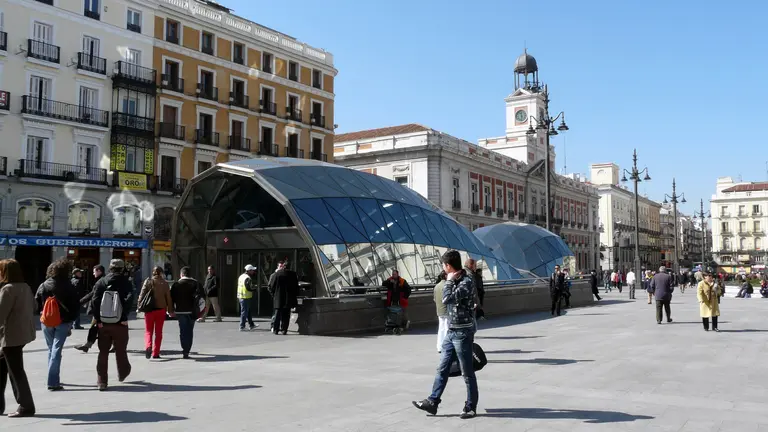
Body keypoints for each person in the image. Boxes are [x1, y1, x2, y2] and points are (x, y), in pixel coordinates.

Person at [412, 250, 478, 419]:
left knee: (467, 371)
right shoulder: (457, 279)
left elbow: (447, 298)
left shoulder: (466, 282)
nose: (443, 268)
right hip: (452, 331)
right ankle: (432, 402)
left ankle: (470, 406)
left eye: (444, 265)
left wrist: (448, 282)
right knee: (442, 367)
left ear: (449, 266)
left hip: (463, 331)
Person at [35, 258, 80, 391]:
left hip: (47, 321)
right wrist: (71, 320)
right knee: (56, 350)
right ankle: (53, 381)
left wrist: (43, 311)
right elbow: (75, 306)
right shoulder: (69, 285)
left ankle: (52, 377)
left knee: (51, 349)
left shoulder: (44, 285)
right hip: (62, 321)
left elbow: (36, 302)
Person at [0, 259, 36, 418]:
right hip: (22, 333)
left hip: (11, 336)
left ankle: (26, 406)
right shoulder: (25, 287)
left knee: (16, 371)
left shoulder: (8, 289)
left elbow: (0, 315)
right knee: (2, 367)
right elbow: (34, 306)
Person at [90, 259, 133, 391]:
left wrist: (99, 320)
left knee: (103, 352)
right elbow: (130, 299)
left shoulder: (101, 281)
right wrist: (124, 316)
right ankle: (123, 372)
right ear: (122, 268)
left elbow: (94, 301)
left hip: (104, 323)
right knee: (121, 349)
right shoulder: (126, 282)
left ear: (109, 268)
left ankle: (102, 381)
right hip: (120, 322)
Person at [137, 266, 174, 359]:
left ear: (153, 272)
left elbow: (141, 295)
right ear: (161, 273)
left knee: (148, 331)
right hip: (161, 310)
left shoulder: (148, 281)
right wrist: (170, 310)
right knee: (158, 332)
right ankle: (155, 353)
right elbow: (169, 298)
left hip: (149, 310)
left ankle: (148, 346)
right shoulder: (165, 283)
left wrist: (139, 307)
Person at [170, 267, 206, 359]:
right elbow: (202, 299)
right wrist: (201, 312)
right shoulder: (196, 284)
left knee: (183, 331)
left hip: (180, 311)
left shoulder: (176, 284)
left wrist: (170, 310)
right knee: (189, 331)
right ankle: (187, 350)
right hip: (192, 311)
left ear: (181, 274)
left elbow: (171, 299)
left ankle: (184, 350)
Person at [75, 265, 104, 353]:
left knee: (96, 327)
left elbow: (92, 294)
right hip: (101, 308)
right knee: (95, 327)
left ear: (99, 271)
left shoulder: (101, 281)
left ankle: (87, 345)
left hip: (99, 308)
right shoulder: (101, 280)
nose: (93, 273)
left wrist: (80, 302)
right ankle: (87, 345)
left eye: (94, 271)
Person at [267, 260, 299, 335]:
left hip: (278, 298)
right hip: (288, 298)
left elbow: (271, 286)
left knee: (277, 314)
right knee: (286, 315)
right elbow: (296, 287)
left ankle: (276, 329)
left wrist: (274, 295)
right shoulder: (293, 274)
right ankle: (284, 329)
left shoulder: (277, 274)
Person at [237, 265, 259, 331]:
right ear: (249, 271)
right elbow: (248, 287)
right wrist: (254, 289)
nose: (253, 271)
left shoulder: (241, 276)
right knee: (244, 312)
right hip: (245, 296)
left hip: (241, 296)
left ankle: (251, 324)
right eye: (252, 270)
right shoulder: (247, 278)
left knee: (248, 311)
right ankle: (242, 326)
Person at [433, 271, 448, 353]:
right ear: (445, 276)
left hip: (439, 310)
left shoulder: (436, 286)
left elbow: (435, 299)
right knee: (447, 329)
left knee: (441, 329)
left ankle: (439, 347)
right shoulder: (447, 285)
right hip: (446, 310)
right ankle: (446, 346)